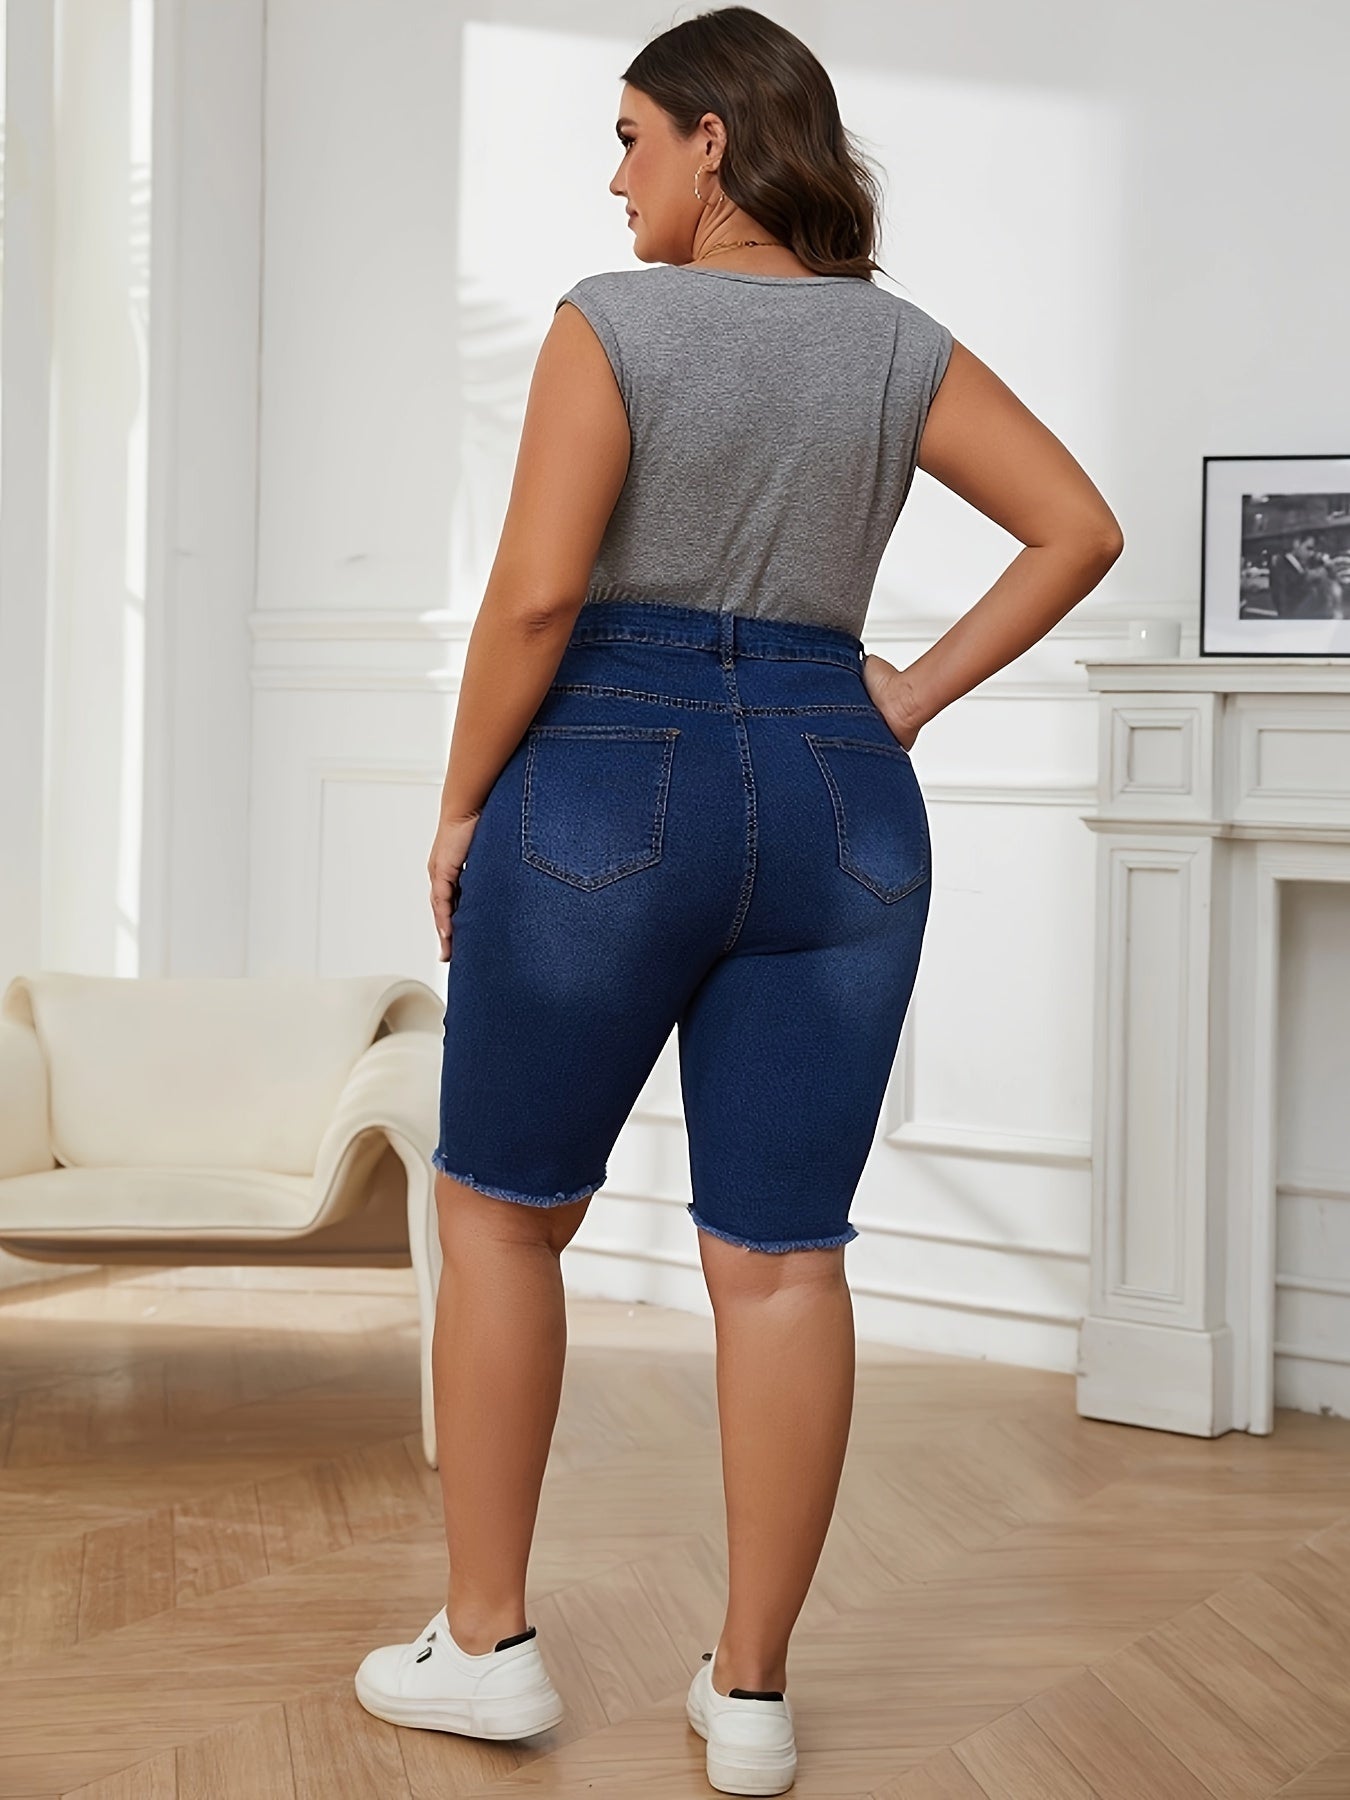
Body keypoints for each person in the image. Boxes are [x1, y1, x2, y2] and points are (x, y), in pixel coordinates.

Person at [353, 7, 1123, 1794]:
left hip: (606, 776)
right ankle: (753, 1693)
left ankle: (485, 1645)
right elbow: (1078, 528)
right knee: (780, 1257)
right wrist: (902, 699)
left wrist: (460, 804)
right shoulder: (898, 344)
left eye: (631, 135)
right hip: (840, 790)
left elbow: (536, 599)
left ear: (713, 139)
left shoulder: (613, 322)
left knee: (501, 1214)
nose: (612, 175)